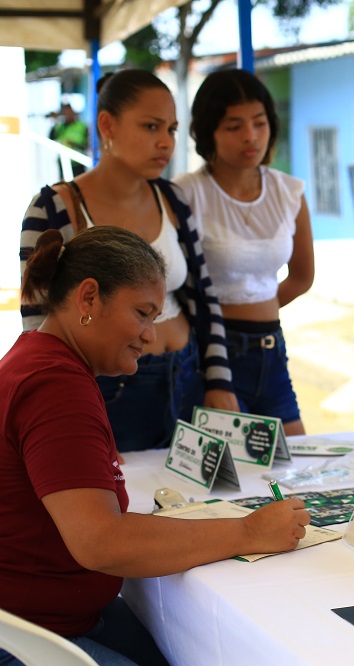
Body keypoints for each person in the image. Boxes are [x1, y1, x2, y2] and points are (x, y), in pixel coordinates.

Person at [0, 227, 310, 666]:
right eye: (143, 313)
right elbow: (100, 541)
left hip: (55, 616)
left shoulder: (44, 362)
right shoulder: (54, 384)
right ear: (88, 298)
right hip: (27, 636)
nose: (151, 335)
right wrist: (247, 533)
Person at [21, 69, 239, 452]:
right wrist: (68, 409)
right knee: (121, 507)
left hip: (188, 376)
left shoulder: (173, 199)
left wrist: (218, 381)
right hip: (106, 394)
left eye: (171, 129)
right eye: (151, 126)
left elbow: (205, 296)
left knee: (196, 509)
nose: (165, 143)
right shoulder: (54, 208)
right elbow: (37, 322)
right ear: (108, 125)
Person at [174, 69, 314, 435]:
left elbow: (302, 277)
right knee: (226, 480)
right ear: (208, 132)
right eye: (233, 126)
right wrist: (223, 327)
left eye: (259, 122)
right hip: (210, 356)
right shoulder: (186, 193)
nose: (251, 136)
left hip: (271, 348)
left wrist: (260, 311)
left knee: (298, 467)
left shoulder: (289, 192)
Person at [49, 102, 88, 177]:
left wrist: (74, 144)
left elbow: (86, 144)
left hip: (78, 162)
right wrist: (54, 121)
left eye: (69, 112)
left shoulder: (81, 125)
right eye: (65, 112)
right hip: (63, 162)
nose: (67, 114)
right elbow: (51, 138)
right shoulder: (60, 127)